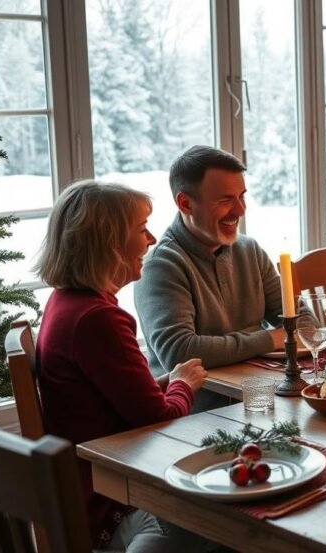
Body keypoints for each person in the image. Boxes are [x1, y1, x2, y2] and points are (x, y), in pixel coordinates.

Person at [35, 181, 212, 551]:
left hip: (91, 483)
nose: (150, 239)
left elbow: (112, 396)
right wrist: (182, 384)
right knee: (232, 520)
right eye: (141, 228)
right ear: (108, 241)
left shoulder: (64, 302)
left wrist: (168, 380)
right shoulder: (97, 319)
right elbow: (159, 418)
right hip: (112, 498)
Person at [135, 146, 284, 410]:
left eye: (242, 196)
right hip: (196, 414)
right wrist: (268, 338)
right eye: (225, 200)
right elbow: (179, 352)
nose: (240, 210)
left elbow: (301, 321)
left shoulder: (250, 250)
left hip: (259, 397)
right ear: (185, 203)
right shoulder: (161, 265)